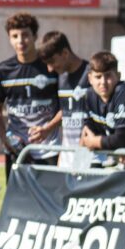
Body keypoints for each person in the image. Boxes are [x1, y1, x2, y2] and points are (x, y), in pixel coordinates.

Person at [0, 12, 61, 180]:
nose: (20, 41)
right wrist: (3, 137)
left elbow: (66, 107)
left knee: (49, 202)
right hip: (16, 149)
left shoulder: (50, 66)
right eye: (15, 36)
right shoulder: (3, 70)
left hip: (49, 148)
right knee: (17, 201)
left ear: (35, 36)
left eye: (25, 35)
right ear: (9, 38)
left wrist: (47, 129)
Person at [38, 31, 90, 169]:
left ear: (65, 53)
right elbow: (67, 110)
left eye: (52, 62)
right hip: (67, 157)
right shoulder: (61, 77)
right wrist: (47, 129)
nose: (49, 69)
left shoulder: (93, 74)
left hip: (90, 156)